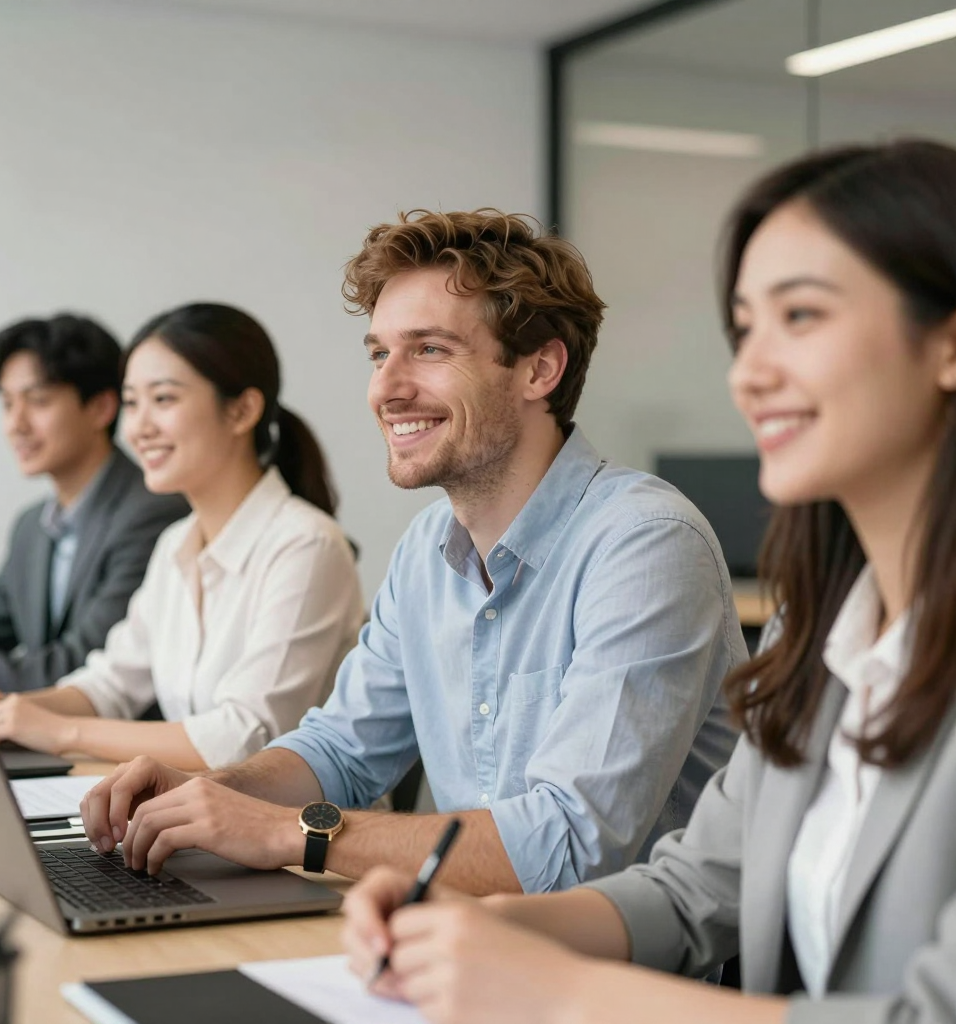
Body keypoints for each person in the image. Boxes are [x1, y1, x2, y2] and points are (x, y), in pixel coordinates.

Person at [340, 139, 956, 1023]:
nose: (750, 372)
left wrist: (559, 989)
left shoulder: (645, 538)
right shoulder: (817, 634)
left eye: (803, 317)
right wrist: (482, 932)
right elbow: (694, 886)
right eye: (744, 328)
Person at [80, 209, 742, 892]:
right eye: (378, 353)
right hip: (468, 945)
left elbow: (569, 846)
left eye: (429, 349)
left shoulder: (645, 545)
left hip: (622, 982)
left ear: (539, 369)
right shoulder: (428, 549)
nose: (386, 388)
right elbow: (340, 752)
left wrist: (286, 832)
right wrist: (205, 795)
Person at [0, 303, 364, 771]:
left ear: (242, 410)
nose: (138, 428)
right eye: (132, 402)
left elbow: (244, 736)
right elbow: (112, 684)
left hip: (302, 831)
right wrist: (6, 713)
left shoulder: (307, 545)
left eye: (163, 399)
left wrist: (59, 732)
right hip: (202, 820)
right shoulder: (176, 544)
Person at [0, 314, 188, 693]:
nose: (16, 424)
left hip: (121, 744)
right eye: (7, 404)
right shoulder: (32, 525)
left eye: (37, 401)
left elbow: (81, 665)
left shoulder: (153, 512)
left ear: (102, 408)